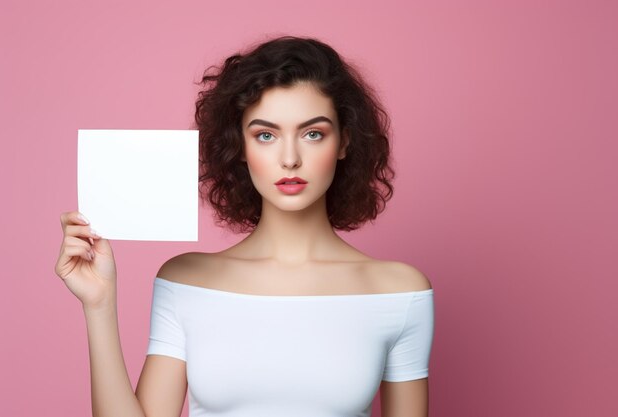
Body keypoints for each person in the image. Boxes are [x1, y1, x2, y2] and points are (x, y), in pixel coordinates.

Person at [55, 35, 434, 417]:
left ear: (344, 142)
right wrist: (99, 304)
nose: (290, 158)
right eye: (265, 135)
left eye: (313, 133)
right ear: (240, 146)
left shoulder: (400, 294)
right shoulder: (185, 281)